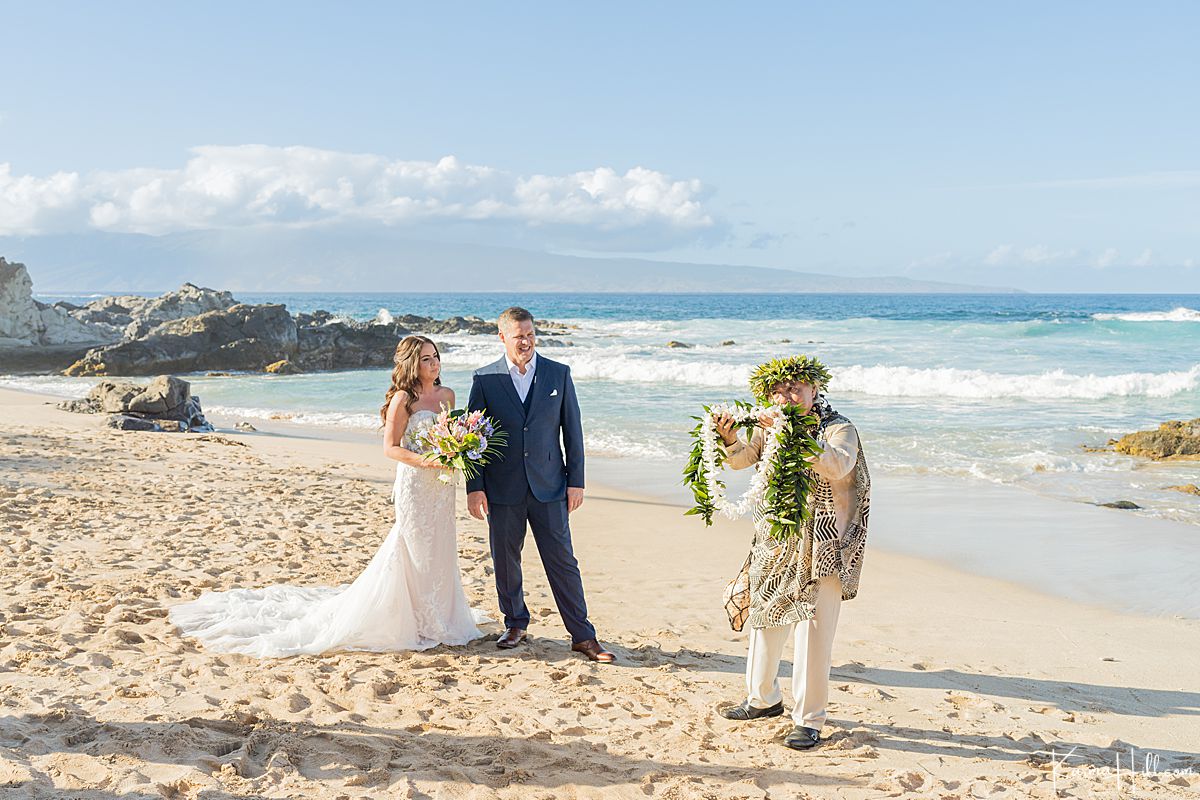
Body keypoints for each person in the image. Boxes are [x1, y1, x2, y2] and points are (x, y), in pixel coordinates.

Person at [169, 336, 486, 657]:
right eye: (425, 360)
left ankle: (442, 616)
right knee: (414, 547)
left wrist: (455, 452)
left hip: (442, 486)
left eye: (436, 357)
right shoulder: (403, 398)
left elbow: (451, 436)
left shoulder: (448, 395)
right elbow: (391, 448)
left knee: (441, 546)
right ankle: (415, 620)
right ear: (411, 365)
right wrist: (427, 461)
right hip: (416, 483)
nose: (434, 364)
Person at [714, 356, 870, 750]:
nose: (785, 397)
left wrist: (790, 434)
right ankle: (762, 700)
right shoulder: (768, 429)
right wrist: (729, 437)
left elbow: (837, 467)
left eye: (794, 389)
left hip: (823, 547)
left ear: (815, 390)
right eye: (778, 391)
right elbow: (739, 460)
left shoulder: (839, 429)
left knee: (813, 635)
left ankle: (809, 719)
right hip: (776, 542)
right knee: (766, 620)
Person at [466, 306, 614, 663]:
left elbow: (572, 431)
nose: (527, 341)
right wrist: (475, 487)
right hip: (503, 488)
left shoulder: (558, 374)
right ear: (502, 337)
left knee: (563, 561)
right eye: (519, 336)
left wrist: (576, 481)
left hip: (550, 486)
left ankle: (582, 635)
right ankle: (515, 622)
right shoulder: (485, 379)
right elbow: (472, 440)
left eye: (531, 334)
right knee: (505, 559)